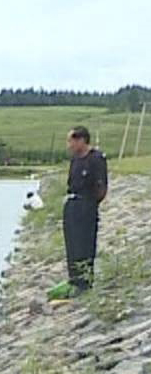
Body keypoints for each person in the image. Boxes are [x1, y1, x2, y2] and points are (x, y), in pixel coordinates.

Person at [51, 125, 110, 299]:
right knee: (72, 243)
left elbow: (101, 187)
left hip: (87, 204)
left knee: (85, 243)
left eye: (71, 141)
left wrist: (90, 203)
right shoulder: (75, 160)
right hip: (72, 203)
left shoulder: (96, 159)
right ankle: (74, 279)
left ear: (81, 140)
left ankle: (84, 282)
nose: (69, 145)